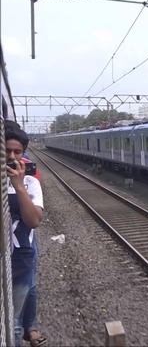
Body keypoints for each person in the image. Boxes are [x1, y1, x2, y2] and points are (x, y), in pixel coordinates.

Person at [5, 124, 47, 347]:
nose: (11, 156)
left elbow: (33, 221)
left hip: (21, 256)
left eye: (17, 152)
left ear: (23, 154)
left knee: (13, 319)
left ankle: (26, 329)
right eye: (7, 151)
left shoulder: (31, 182)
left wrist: (19, 187)